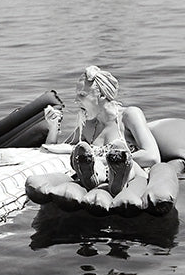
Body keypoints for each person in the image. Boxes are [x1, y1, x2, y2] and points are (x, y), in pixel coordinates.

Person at [44, 65, 160, 197]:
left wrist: (104, 160)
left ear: (102, 95)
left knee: (124, 163)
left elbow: (153, 156)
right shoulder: (88, 125)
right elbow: (56, 150)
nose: (76, 101)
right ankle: (93, 178)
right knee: (91, 164)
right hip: (101, 178)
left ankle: (116, 174)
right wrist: (53, 126)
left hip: (133, 175)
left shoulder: (128, 116)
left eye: (82, 95)